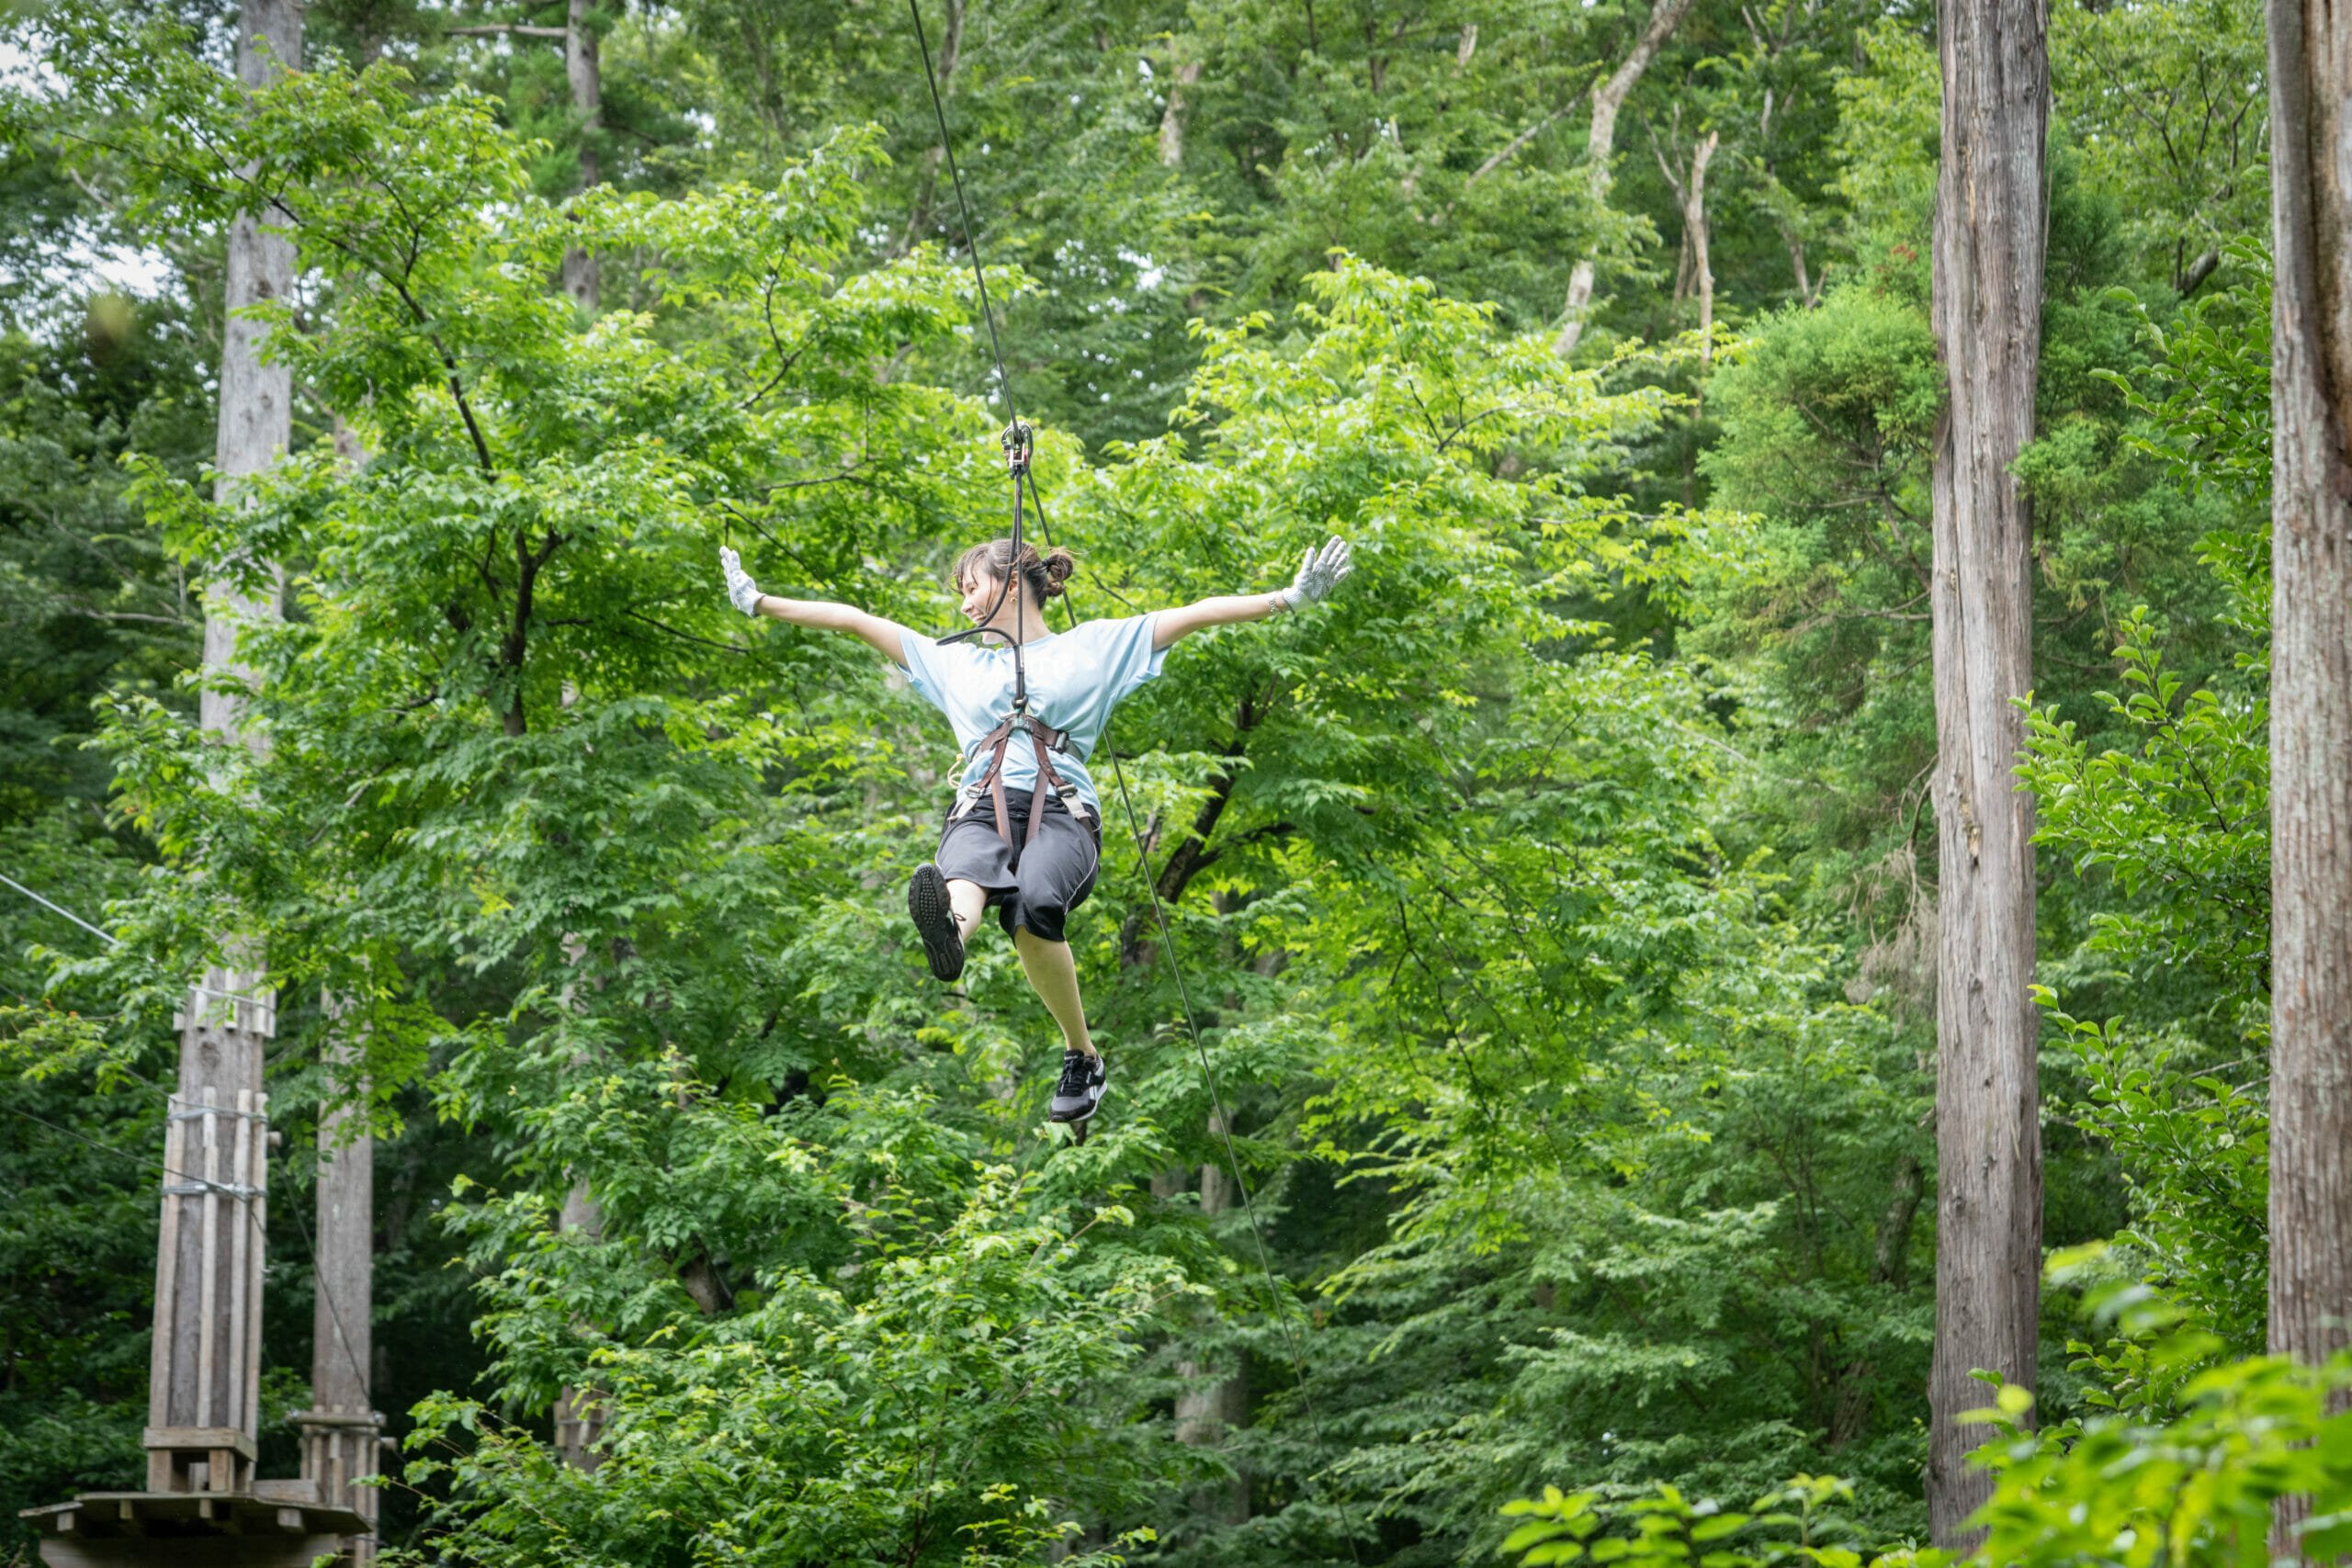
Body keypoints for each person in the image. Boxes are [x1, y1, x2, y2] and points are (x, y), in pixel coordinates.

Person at [717, 532, 1354, 1127]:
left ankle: (1083, 1056)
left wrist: (1287, 598)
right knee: (966, 869)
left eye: (972, 585)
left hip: (1062, 809)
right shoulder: (953, 664)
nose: (964, 602)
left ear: (1013, 580)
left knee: (1035, 905)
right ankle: (949, 934)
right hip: (982, 801)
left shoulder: (1095, 646)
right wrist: (760, 602)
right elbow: (855, 619)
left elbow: (1194, 614)